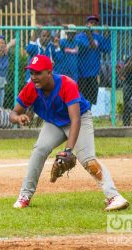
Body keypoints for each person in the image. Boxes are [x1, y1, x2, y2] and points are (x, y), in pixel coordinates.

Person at [8, 55, 129, 211]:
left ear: (49, 72)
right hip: (54, 123)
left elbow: (75, 120)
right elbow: (13, 114)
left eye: (38, 73)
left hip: (79, 119)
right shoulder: (31, 87)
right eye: (31, 73)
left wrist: (68, 150)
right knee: (39, 150)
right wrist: (18, 117)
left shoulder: (67, 84)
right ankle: (24, 196)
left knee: (87, 158)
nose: (34, 77)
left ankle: (114, 197)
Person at [76, 16, 111, 106]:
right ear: (86, 24)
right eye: (91, 22)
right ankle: (80, 117)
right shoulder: (79, 37)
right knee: (80, 98)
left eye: (95, 23)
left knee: (90, 100)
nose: (93, 25)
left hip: (93, 73)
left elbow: (107, 49)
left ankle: (88, 117)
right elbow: (87, 46)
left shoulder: (98, 37)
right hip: (81, 73)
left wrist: (107, 35)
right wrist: (89, 35)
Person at [116, 56, 132, 126]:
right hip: (128, 83)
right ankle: (126, 124)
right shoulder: (129, 59)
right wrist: (120, 74)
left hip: (128, 83)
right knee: (127, 104)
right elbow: (120, 71)